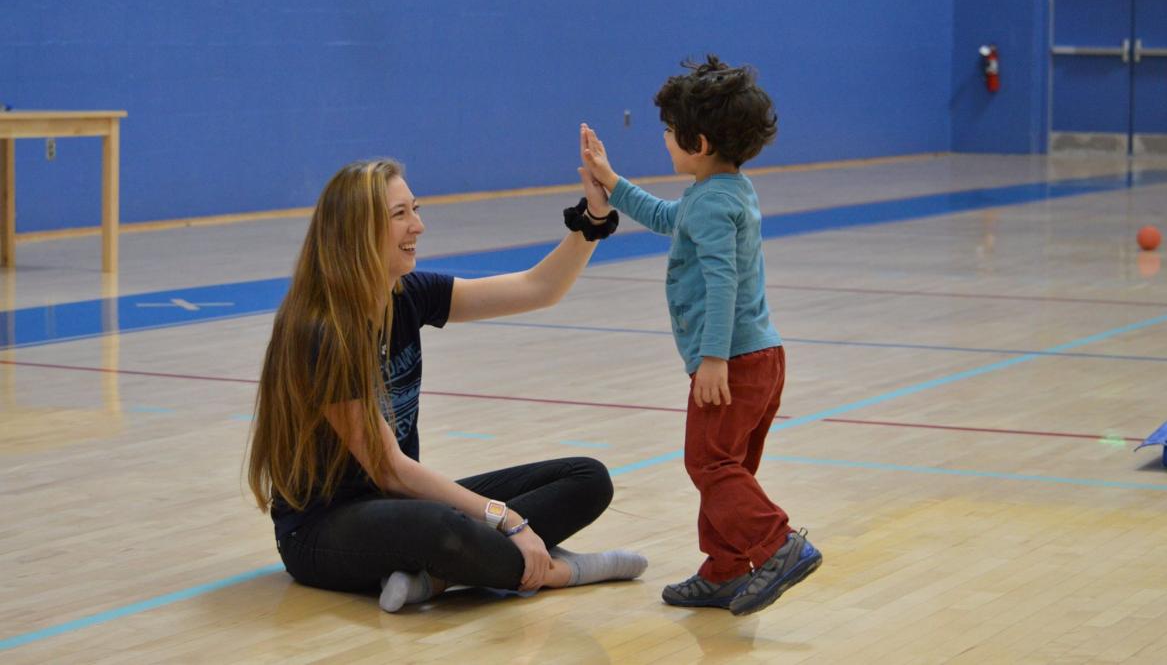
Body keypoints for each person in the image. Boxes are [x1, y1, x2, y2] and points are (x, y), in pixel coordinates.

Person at [247, 126, 646, 612]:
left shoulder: (408, 295)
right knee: (444, 530)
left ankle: (433, 582)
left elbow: (538, 288)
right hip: (323, 533)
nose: (418, 225)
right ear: (357, 231)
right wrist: (509, 521)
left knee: (588, 477)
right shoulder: (322, 330)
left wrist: (594, 219)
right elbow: (389, 468)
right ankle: (564, 571)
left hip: (399, 508)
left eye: (415, 209)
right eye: (400, 214)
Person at [581, 55, 821, 616]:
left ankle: (778, 545)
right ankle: (725, 569)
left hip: (732, 360)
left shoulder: (712, 202)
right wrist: (611, 181)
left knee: (710, 466)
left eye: (669, 132)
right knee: (727, 468)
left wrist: (712, 358)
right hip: (763, 357)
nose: (665, 140)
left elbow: (723, 284)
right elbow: (670, 218)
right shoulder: (726, 190)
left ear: (701, 141)